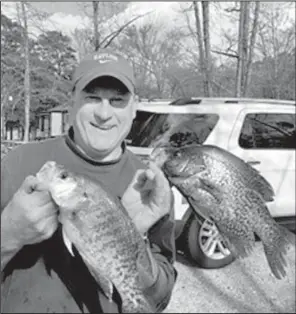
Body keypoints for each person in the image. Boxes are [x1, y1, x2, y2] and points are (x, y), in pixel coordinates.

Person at [1, 49, 178, 313]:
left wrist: (133, 240)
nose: (104, 114)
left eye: (117, 100)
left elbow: (160, 298)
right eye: (92, 97)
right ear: (72, 101)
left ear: (134, 108)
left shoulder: (149, 186)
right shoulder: (17, 163)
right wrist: (9, 233)